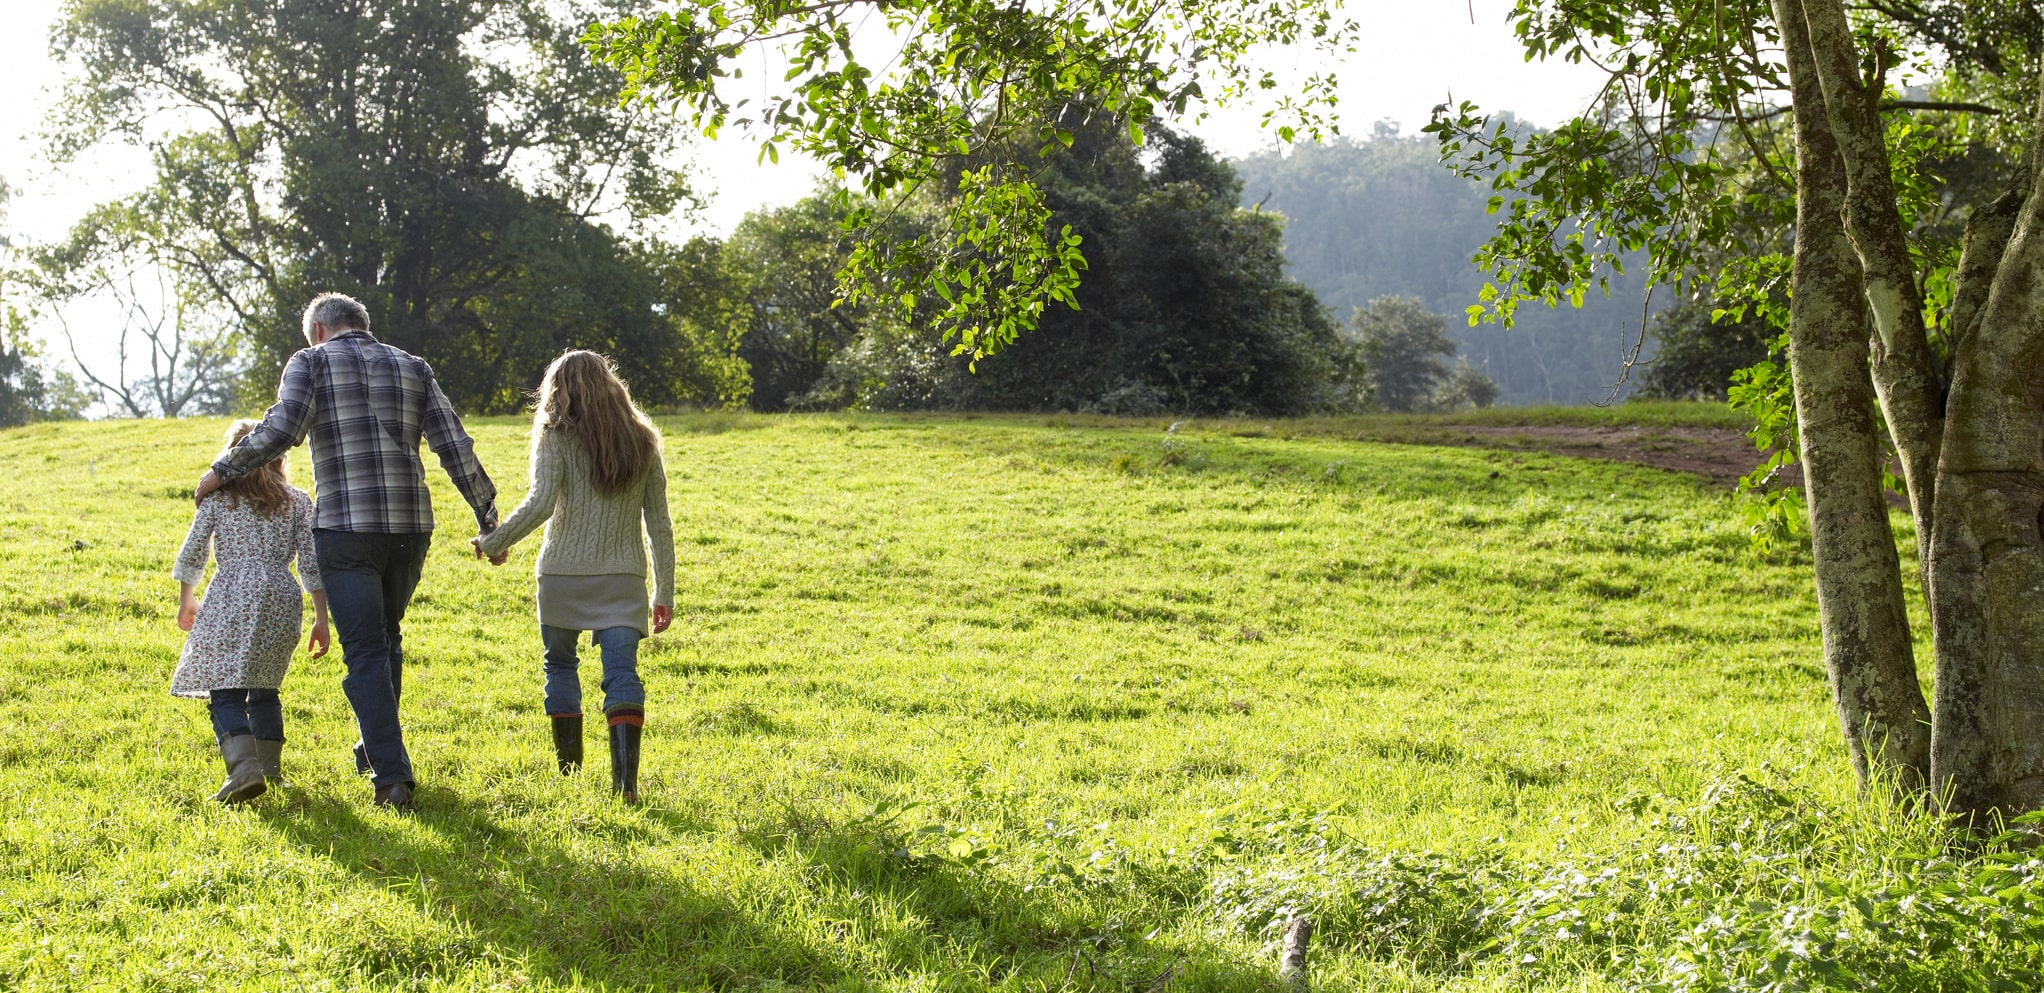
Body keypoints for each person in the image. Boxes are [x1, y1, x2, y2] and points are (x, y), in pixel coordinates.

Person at [195, 292, 501, 811]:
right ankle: (374, 749)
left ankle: (391, 777)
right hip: (409, 528)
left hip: (346, 527)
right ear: (362, 325)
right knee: (385, 637)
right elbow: (454, 443)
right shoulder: (412, 365)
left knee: (364, 647)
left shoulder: (310, 362)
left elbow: (282, 429)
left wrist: (222, 469)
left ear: (317, 330)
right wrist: (488, 518)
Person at [475, 349, 674, 804]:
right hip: (623, 577)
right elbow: (658, 522)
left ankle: (569, 775)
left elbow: (541, 502)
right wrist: (664, 591)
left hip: (562, 571)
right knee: (621, 671)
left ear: (558, 389)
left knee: (560, 665)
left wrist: (493, 541)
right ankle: (625, 783)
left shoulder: (555, 437)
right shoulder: (643, 439)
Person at [172, 419, 331, 804]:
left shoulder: (220, 499)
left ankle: (244, 770)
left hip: (232, 593)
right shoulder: (297, 501)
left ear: (231, 458)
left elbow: (195, 550)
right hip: (282, 595)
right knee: (264, 689)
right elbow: (312, 564)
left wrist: (187, 597)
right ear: (279, 458)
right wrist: (321, 619)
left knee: (225, 691)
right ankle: (269, 772)